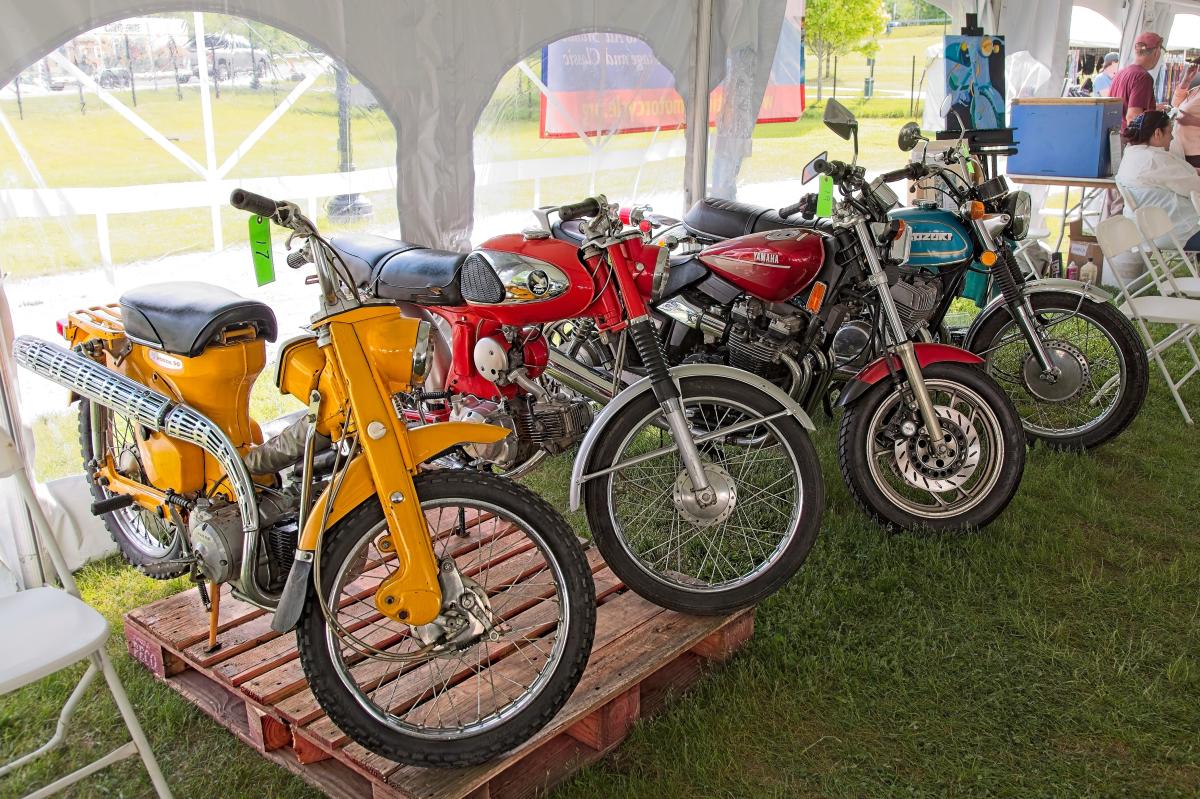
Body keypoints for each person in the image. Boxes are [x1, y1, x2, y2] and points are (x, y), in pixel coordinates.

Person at [1115, 110, 1200, 249]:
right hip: (1176, 232)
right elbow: (1194, 187)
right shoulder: (1154, 159)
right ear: (1158, 133)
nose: (1172, 137)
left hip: (1147, 233)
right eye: (1169, 132)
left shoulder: (1131, 155)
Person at [1109, 32, 1163, 129]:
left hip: (1116, 134)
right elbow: (1133, 117)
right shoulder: (1143, 77)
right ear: (1156, 52)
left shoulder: (1121, 73)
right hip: (1128, 136)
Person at [1169, 62, 1200, 168]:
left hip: (1195, 153)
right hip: (1181, 150)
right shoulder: (1196, 89)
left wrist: (1193, 121)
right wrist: (1186, 81)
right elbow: (1175, 103)